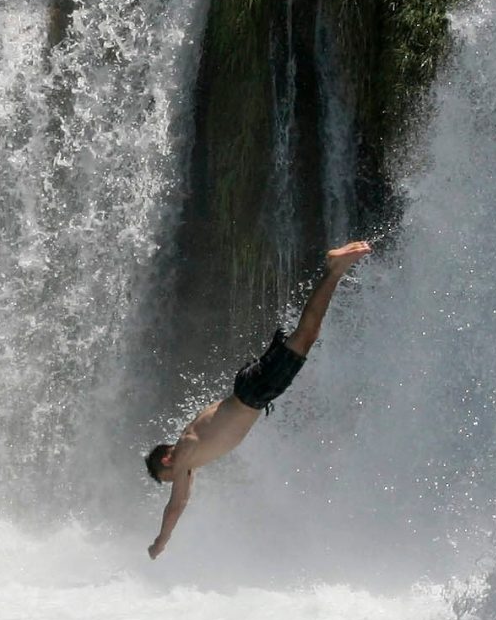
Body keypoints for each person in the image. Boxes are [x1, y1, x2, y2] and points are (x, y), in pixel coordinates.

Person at [142, 240, 371, 559]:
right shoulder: (189, 442)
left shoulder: (184, 453)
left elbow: (177, 505)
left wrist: (161, 541)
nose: (180, 478)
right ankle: (334, 272)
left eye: (171, 477)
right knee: (305, 336)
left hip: (253, 394)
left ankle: (334, 270)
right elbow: (187, 492)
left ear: (167, 460)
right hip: (249, 389)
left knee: (306, 336)